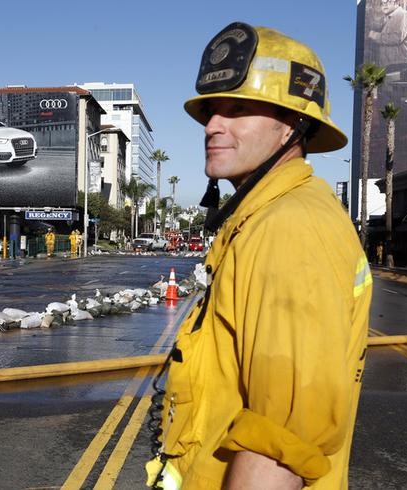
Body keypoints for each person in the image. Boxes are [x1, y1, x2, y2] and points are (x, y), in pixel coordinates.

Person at [146, 22, 373, 489]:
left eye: (238, 108)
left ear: (292, 124)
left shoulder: (287, 228)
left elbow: (279, 444)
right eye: (211, 110)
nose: (212, 126)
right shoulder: (261, 217)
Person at [368, 0, 407, 70]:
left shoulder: (402, 15)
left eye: (388, 1)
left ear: (397, 2)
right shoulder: (391, 16)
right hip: (391, 64)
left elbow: (396, 38)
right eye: (382, 3)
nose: (384, 5)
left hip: (398, 64)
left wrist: (373, 35)